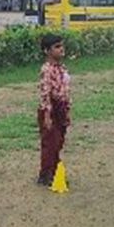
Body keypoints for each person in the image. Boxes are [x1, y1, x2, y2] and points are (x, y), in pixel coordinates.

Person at [37, 34, 71, 185]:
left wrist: (67, 110)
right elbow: (46, 93)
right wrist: (47, 115)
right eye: (57, 47)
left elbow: (65, 90)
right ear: (47, 51)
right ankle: (46, 173)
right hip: (50, 109)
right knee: (50, 142)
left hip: (61, 107)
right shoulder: (47, 70)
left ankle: (55, 169)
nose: (61, 49)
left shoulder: (62, 68)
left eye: (61, 46)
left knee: (59, 141)